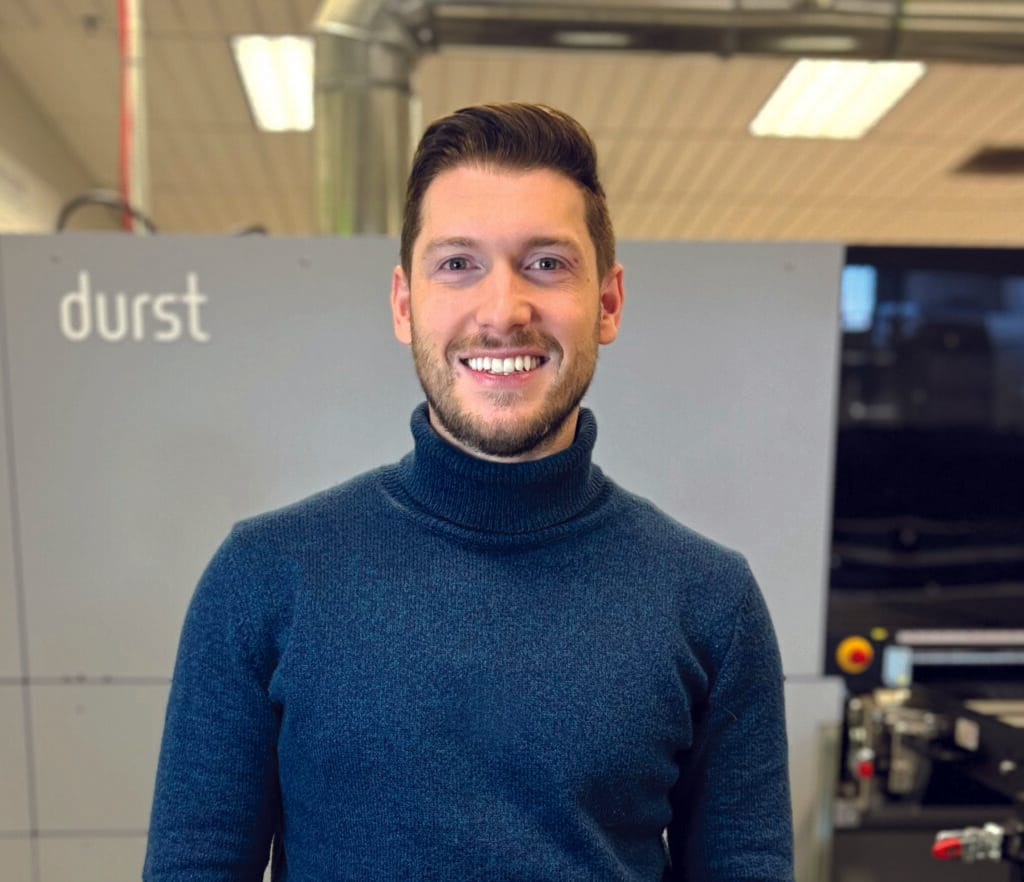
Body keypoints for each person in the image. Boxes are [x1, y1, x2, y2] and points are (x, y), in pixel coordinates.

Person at [144, 102, 793, 882]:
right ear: (403, 303)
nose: (502, 310)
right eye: (458, 264)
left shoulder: (710, 600)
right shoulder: (264, 577)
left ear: (609, 302)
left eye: (547, 263)